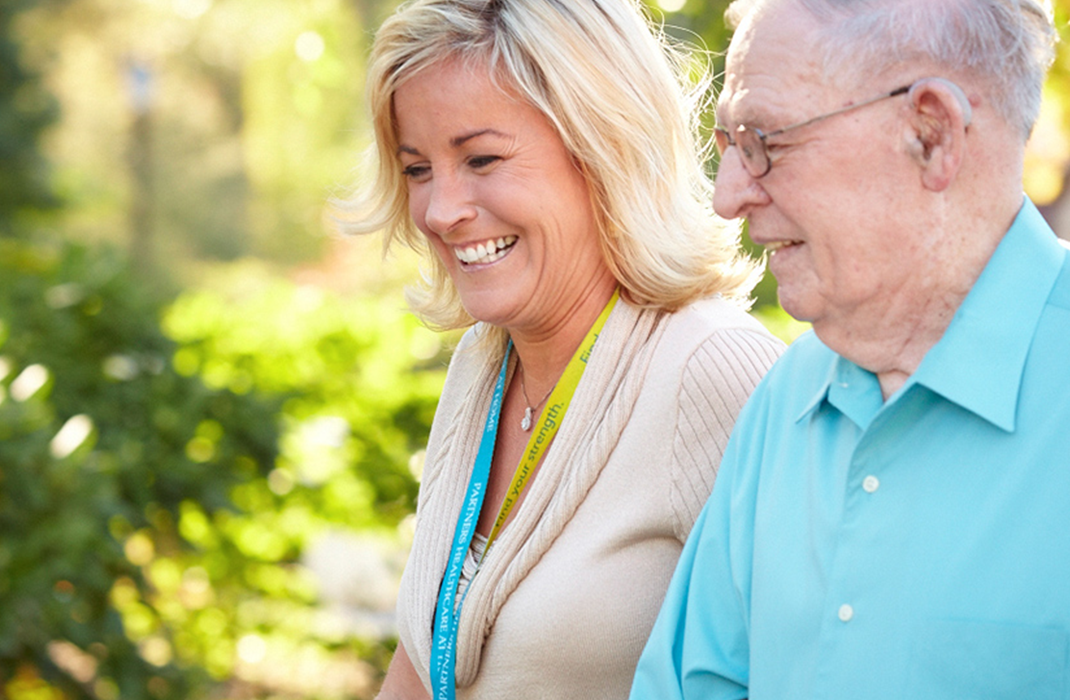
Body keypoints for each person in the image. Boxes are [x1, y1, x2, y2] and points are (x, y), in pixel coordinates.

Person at [334, 0, 785, 698]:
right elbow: (428, 666)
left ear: (603, 147)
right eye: (417, 169)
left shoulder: (714, 369)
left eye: (481, 158)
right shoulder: (483, 366)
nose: (440, 210)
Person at [629, 0, 1068, 698]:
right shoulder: (785, 399)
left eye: (764, 142)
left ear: (931, 133)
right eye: (728, 146)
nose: (727, 195)